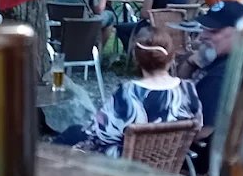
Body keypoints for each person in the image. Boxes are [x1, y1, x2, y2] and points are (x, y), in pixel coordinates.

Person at [55, 27, 201, 157]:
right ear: (171, 56)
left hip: (126, 167)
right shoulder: (188, 89)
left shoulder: (128, 92)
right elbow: (197, 127)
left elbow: (101, 133)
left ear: (136, 58)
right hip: (167, 160)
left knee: (71, 135)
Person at [182, 0, 243, 169]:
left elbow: (202, 132)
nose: (202, 35)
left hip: (194, 157)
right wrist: (190, 63)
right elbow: (180, 88)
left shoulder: (223, 74)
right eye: (204, 28)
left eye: (214, 31)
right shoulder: (224, 58)